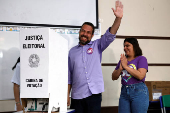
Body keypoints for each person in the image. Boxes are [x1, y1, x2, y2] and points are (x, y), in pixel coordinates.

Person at [67, 1, 123, 113]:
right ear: (79, 32)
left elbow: (110, 35)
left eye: (88, 32)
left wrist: (118, 19)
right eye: (83, 31)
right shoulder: (72, 52)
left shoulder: (97, 45)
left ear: (92, 35)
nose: (85, 34)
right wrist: (67, 95)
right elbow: (69, 76)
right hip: (77, 96)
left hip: (94, 95)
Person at [112, 38, 149, 113]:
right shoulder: (123, 60)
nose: (125, 48)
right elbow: (113, 77)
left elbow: (141, 75)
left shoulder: (141, 59)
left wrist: (126, 67)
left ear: (134, 46)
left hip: (138, 91)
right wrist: (120, 69)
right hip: (124, 92)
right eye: (124, 46)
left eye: (127, 45)